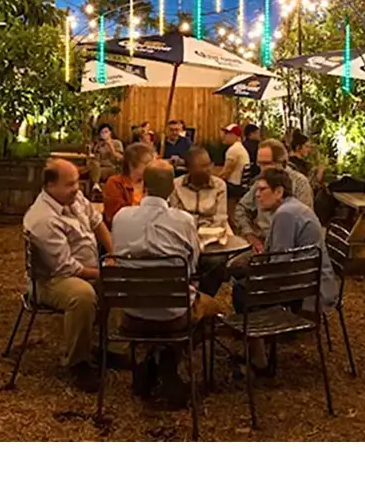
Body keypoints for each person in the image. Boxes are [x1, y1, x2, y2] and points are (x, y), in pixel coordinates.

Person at [111, 160, 222, 403]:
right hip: (174, 317)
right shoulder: (183, 221)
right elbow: (192, 266)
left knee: (180, 300)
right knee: (213, 309)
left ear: (143, 186)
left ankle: (152, 360)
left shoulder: (121, 218)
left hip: (132, 313)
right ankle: (169, 364)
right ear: (172, 188)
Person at [229, 167, 337, 369]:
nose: (257, 195)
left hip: (307, 289)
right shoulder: (293, 208)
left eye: (262, 190)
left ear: (279, 192)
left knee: (241, 288)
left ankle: (258, 356)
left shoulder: (286, 215)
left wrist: (251, 272)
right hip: (312, 280)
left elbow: (279, 264)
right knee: (242, 276)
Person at [23, 158, 114, 391]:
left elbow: (97, 223)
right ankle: (77, 363)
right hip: (51, 280)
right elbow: (66, 268)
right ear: (50, 186)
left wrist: (115, 254)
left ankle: (109, 348)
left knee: (121, 282)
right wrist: (102, 273)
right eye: (70, 184)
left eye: (77, 182)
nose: (77, 188)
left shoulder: (74, 198)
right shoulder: (43, 219)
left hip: (84, 267)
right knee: (82, 295)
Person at [233, 138, 313, 251]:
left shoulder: (299, 183)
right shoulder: (261, 181)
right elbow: (241, 209)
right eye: (259, 164)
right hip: (261, 243)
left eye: (266, 164)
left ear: (282, 163)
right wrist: (250, 234)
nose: (262, 170)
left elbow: (302, 225)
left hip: (288, 248)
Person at [169, 147, 231, 230]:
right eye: (203, 166)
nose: (209, 169)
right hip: (185, 229)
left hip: (213, 230)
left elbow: (220, 217)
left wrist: (206, 231)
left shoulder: (219, 185)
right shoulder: (176, 185)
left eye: (209, 164)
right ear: (189, 169)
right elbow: (176, 216)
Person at [103, 141, 154, 228]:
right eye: (146, 163)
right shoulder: (115, 183)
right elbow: (115, 216)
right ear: (131, 165)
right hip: (123, 229)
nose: (151, 166)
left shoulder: (151, 183)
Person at [87, 123, 124, 193]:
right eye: (102, 132)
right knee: (94, 166)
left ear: (110, 133)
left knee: (94, 172)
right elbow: (95, 159)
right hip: (100, 168)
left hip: (112, 167)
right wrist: (95, 149)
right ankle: (96, 185)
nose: (104, 134)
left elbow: (120, 158)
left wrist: (111, 148)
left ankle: (96, 185)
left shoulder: (116, 143)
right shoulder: (99, 145)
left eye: (106, 132)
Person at [219, 124, 250, 188]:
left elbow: (225, 174)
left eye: (227, 133)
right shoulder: (240, 147)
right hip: (242, 185)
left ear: (234, 135)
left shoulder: (233, 150)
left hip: (234, 187)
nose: (224, 136)